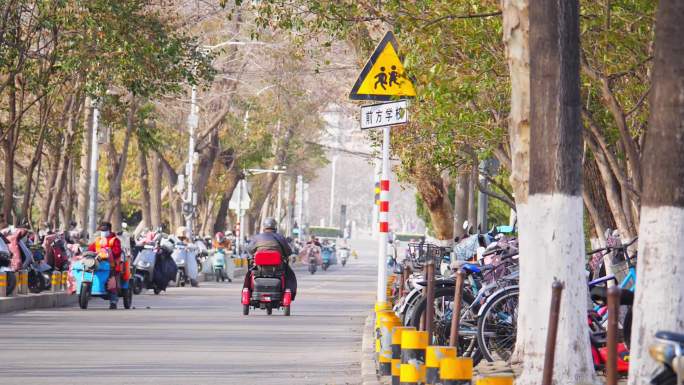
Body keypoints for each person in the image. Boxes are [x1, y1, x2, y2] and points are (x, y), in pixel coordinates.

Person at [243, 218, 297, 300]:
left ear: (264, 227)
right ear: (275, 227)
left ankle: (248, 292)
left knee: (248, 275)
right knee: (290, 275)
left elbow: (249, 249)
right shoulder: (280, 237)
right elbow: (288, 251)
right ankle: (289, 293)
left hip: (260, 269)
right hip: (277, 269)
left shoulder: (257, 238)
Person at [88, 222, 122, 309]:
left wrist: (108, 251)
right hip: (97, 264)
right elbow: (91, 249)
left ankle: (113, 301)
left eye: (105, 230)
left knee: (111, 281)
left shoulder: (115, 240)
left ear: (109, 230)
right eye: (102, 230)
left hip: (111, 265)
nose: (103, 232)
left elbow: (117, 252)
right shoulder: (98, 240)